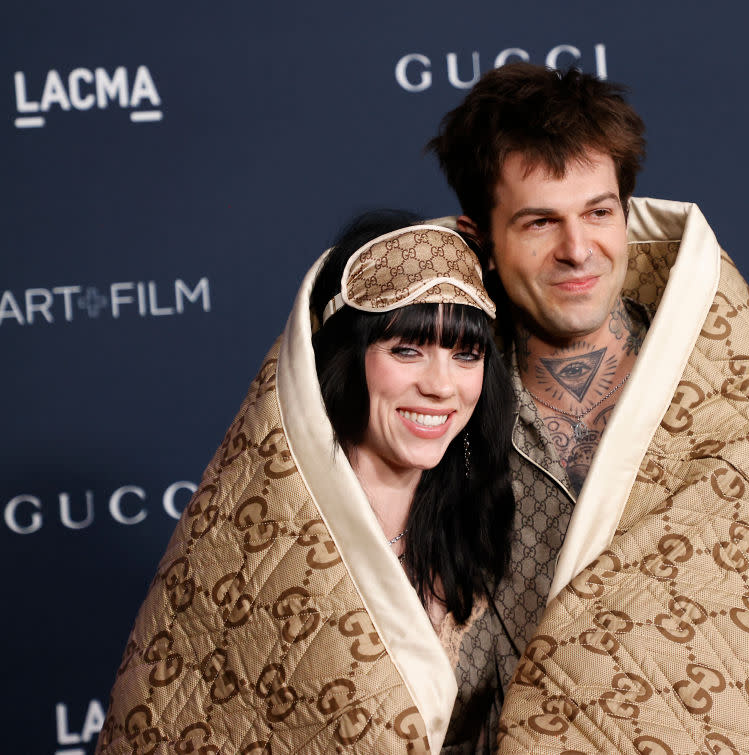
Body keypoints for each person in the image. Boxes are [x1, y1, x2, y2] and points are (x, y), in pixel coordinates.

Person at [427, 62, 749, 753]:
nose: (578, 249)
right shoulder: (439, 420)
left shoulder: (744, 382)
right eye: (538, 222)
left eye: (598, 211)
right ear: (480, 241)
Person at [97, 213, 516, 755]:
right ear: (349, 359)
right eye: (406, 349)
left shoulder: (478, 527)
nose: (440, 385)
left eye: (466, 355)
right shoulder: (261, 537)